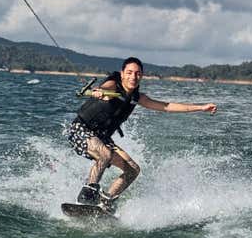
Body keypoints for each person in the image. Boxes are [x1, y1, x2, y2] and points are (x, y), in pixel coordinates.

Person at [67, 57, 217, 212]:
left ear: (141, 76)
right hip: (81, 129)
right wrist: (99, 92)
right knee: (105, 154)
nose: (133, 77)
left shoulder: (137, 97)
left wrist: (201, 108)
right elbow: (105, 88)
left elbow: (167, 106)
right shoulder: (113, 86)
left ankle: (105, 202)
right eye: (129, 72)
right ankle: (87, 194)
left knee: (133, 170)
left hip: (102, 138)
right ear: (122, 74)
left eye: (137, 73)